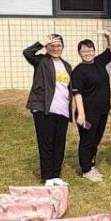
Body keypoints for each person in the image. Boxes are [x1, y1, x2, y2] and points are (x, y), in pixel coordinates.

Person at [23, 34, 73, 186]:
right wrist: (42, 43)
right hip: (44, 108)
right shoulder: (42, 61)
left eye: (58, 45)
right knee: (45, 142)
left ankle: (56, 174)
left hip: (63, 110)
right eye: (52, 46)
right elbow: (27, 53)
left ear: (63, 47)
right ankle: (48, 176)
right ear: (47, 47)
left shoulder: (67, 66)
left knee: (59, 143)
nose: (55, 48)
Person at [70, 31, 111, 182]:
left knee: (96, 139)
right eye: (84, 51)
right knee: (87, 140)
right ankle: (86, 170)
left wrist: (108, 36)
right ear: (79, 53)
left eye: (90, 50)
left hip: (102, 111)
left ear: (94, 51)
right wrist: (81, 114)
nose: (87, 53)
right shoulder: (78, 71)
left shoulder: (99, 62)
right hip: (87, 113)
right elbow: (77, 94)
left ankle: (91, 164)